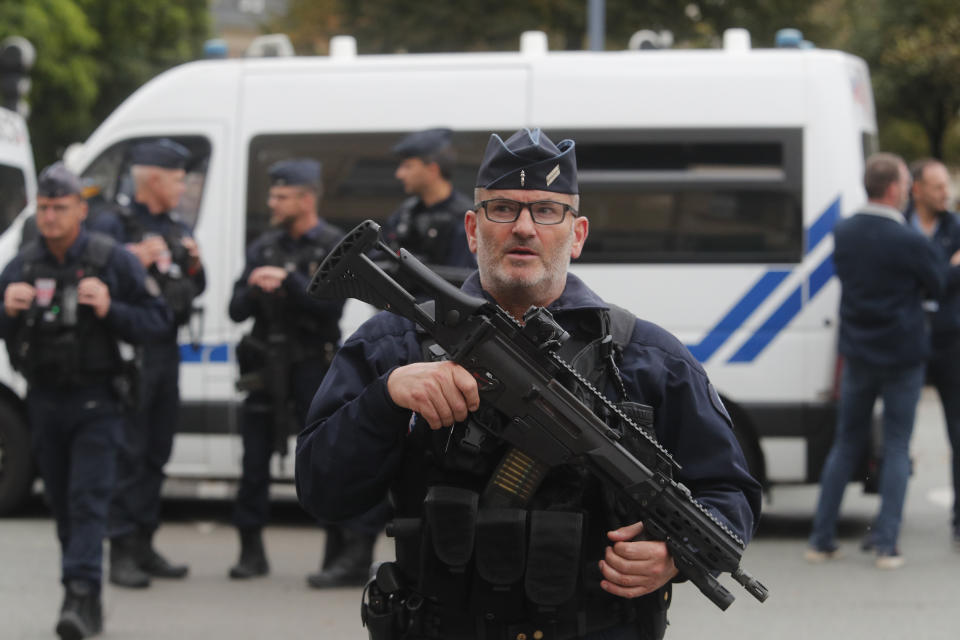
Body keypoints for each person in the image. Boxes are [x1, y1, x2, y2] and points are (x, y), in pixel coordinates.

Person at [296, 128, 760, 639]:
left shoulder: (649, 358)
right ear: (472, 229)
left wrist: (673, 556)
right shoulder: (393, 345)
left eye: (546, 211)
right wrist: (386, 398)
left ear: (577, 234)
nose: (523, 227)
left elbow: (726, 490)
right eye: (503, 209)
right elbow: (323, 491)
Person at [0, 163, 172, 639]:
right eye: (44, 207)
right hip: (44, 400)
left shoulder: (111, 259)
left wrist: (110, 307)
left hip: (98, 401)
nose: (51, 216)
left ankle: (77, 593)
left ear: (80, 209)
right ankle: (86, 594)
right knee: (61, 502)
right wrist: (6, 309)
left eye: (60, 207)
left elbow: (157, 322)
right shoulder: (22, 264)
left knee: (88, 498)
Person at [807, 152, 944, 569]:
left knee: (846, 443)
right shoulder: (911, 240)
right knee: (898, 446)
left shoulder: (844, 231)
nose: (906, 190)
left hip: (857, 353)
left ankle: (821, 538)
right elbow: (936, 283)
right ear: (892, 189)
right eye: (904, 183)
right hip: (902, 356)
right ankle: (886, 543)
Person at [226, 159, 352, 582]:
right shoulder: (263, 247)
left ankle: (337, 554)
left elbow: (332, 307)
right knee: (253, 464)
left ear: (305, 197)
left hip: (313, 367)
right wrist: (253, 285)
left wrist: (292, 281)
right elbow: (235, 308)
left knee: (326, 460)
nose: (271, 202)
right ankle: (250, 553)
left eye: (280, 196)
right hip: (266, 365)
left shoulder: (334, 244)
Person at [89, 139, 206, 588]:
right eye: (178, 178)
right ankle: (120, 549)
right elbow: (92, 279)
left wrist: (195, 266)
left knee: (157, 451)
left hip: (166, 351)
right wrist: (127, 260)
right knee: (130, 453)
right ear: (154, 178)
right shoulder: (112, 225)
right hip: (130, 355)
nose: (183, 186)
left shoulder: (174, 226)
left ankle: (143, 542)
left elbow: (191, 288)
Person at [904, 158, 960, 549]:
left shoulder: (955, 226)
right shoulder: (899, 225)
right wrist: (949, 270)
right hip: (906, 343)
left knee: (957, 433)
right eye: (939, 186)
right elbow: (925, 279)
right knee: (894, 437)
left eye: (948, 186)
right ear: (916, 189)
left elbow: (931, 284)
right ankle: (886, 527)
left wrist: (937, 277)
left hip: (951, 342)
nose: (947, 193)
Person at [381, 127, 476, 270]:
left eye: (408, 166)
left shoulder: (463, 218)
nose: (399, 174)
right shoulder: (405, 213)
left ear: (432, 170)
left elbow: (461, 281)